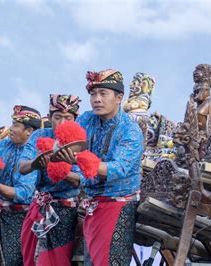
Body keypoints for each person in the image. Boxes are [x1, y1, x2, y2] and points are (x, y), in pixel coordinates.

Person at [75, 69, 144, 265]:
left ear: (119, 97)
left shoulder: (130, 130)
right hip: (92, 203)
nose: (97, 99)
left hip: (118, 206)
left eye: (103, 94)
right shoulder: (86, 119)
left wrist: (81, 159)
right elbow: (69, 142)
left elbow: (119, 168)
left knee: (109, 261)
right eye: (93, 94)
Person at [19, 94, 83, 266]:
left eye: (68, 118)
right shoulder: (39, 135)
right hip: (38, 207)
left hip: (66, 211)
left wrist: (61, 172)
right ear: (50, 117)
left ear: (75, 120)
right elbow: (22, 167)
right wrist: (35, 163)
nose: (62, 123)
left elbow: (80, 179)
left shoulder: (81, 139)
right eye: (57, 117)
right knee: (29, 259)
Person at [0, 105, 42, 265]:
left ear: (29, 131)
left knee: (13, 260)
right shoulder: (2, 145)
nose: (10, 129)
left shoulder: (34, 153)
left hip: (21, 217)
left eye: (16, 126)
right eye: (12, 124)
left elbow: (23, 194)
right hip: (0, 213)